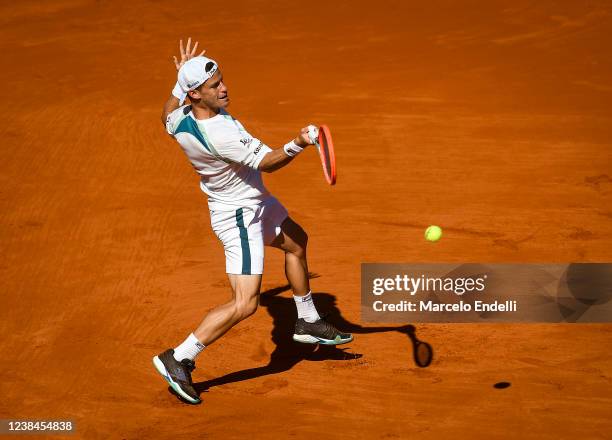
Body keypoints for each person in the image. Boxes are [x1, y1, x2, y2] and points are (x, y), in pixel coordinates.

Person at [152, 39, 353, 404]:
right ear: (198, 94)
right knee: (245, 304)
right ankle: (180, 356)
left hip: (253, 202)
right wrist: (300, 141)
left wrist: (178, 85)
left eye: (222, 81)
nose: (224, 88)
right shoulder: (222, 134)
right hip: (240, 215)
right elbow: (269, 162)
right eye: (214, 86)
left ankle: (306, 319)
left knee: (296, 241)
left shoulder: (180, 119)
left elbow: (166, 111)